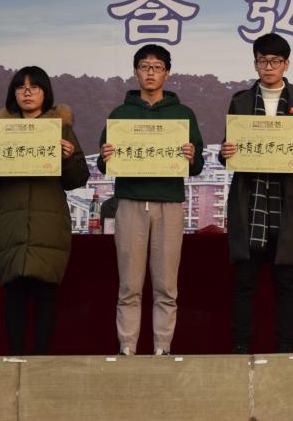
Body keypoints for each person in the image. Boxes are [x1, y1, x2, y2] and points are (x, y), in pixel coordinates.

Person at [0, 66, 89, 356]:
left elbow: (78, 179)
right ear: (13, 93)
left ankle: (40, 361)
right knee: (14, 292)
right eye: (20, 87)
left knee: (45, 292)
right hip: (10, 221)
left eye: (34, 87)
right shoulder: (0, 130)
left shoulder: (61, 129)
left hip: (48, 223)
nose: (27, 92)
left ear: (45, 93)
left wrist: (69, 159)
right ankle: (15, 359)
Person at [98, 44, 205, 356]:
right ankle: (127, 347)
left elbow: (196, 166)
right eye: (145, 67)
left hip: (168, 202)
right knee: (129, 285)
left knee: (166, 285)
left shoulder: (183, 115)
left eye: (157, 67)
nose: (150, 73)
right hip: (130, 201)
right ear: (135, 72)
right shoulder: (120, 114)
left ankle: (162, 348)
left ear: (167, 74)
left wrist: (191, 156)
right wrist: (106, 156)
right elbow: (104, 164)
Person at [220, 33, 293, 354]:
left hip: (285, 202)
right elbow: (228, 151)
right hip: (249, 201)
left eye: (275, 61)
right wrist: (225, 152)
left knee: (286, 283)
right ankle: (241, 349)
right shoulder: (240, 101)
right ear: (255, 64)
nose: (268, 66)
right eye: (263, 60)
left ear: (286, 64)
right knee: (244, 283)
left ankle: (285, 351)